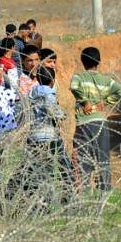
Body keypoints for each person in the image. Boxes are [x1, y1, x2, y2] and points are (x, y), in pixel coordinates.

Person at [69, 47, 121, 193]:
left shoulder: (79, 77)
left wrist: (84, 102)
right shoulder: (106, 81)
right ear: (100, 61)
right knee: (103, 161)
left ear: (82, 62)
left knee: (82, 160)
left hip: (85, 124)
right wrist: (107, 101)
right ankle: (104, 195)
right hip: (102, 124)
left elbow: (73, 87)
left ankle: (81, 195)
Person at [25, 66, 75, 195]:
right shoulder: (49, 92)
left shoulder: (32, 92)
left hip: (33, 136)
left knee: (36, 171)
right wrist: (63, 115)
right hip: (48, 137)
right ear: (53, 80)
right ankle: (68, 200)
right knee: (65, 170)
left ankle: (35, 199)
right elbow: (51, 109)